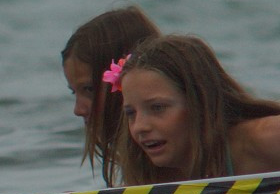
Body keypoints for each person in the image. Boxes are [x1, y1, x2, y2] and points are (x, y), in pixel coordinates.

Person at [106, 34, 280, 185]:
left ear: (201, 103)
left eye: (157, 108)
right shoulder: (149, 173)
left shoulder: (265, 138)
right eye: (130, 113)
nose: (139, 127)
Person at [61, 5, 161, 185]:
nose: (78, 110)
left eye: (89, 89)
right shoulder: (141, 159)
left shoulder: (173, 153)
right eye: (74, 92)